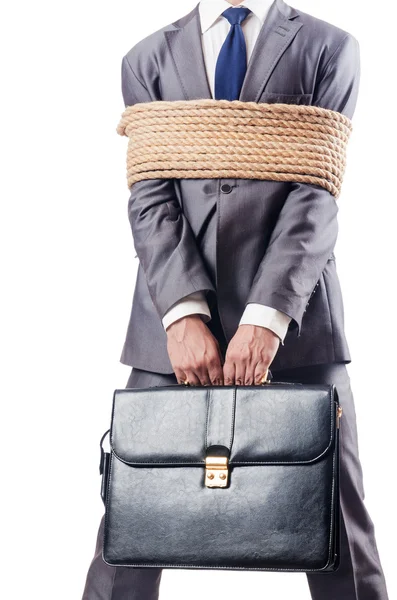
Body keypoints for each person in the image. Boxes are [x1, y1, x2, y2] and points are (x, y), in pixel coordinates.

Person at [82, 0, 389, 598]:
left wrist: (268, 317)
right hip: (169, 333)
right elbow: (150, 198)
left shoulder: (330, 46)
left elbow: (316, 194)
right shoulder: (145, 58)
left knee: (340, 531)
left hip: (299, 324)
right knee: (129, 531)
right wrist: (183, 312)